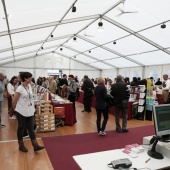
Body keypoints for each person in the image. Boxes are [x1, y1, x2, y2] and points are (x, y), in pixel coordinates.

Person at [12, 72, 44, 152]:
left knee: (31, 128)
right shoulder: (20, 89)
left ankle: (35, 145)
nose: (31, 78)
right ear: (26, 78)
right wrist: (15, 111)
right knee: (21, 128)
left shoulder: (29, 86)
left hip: (29, 111)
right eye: (30, 77)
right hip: (21, 111)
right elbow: (14, 101)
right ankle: (21, 145)